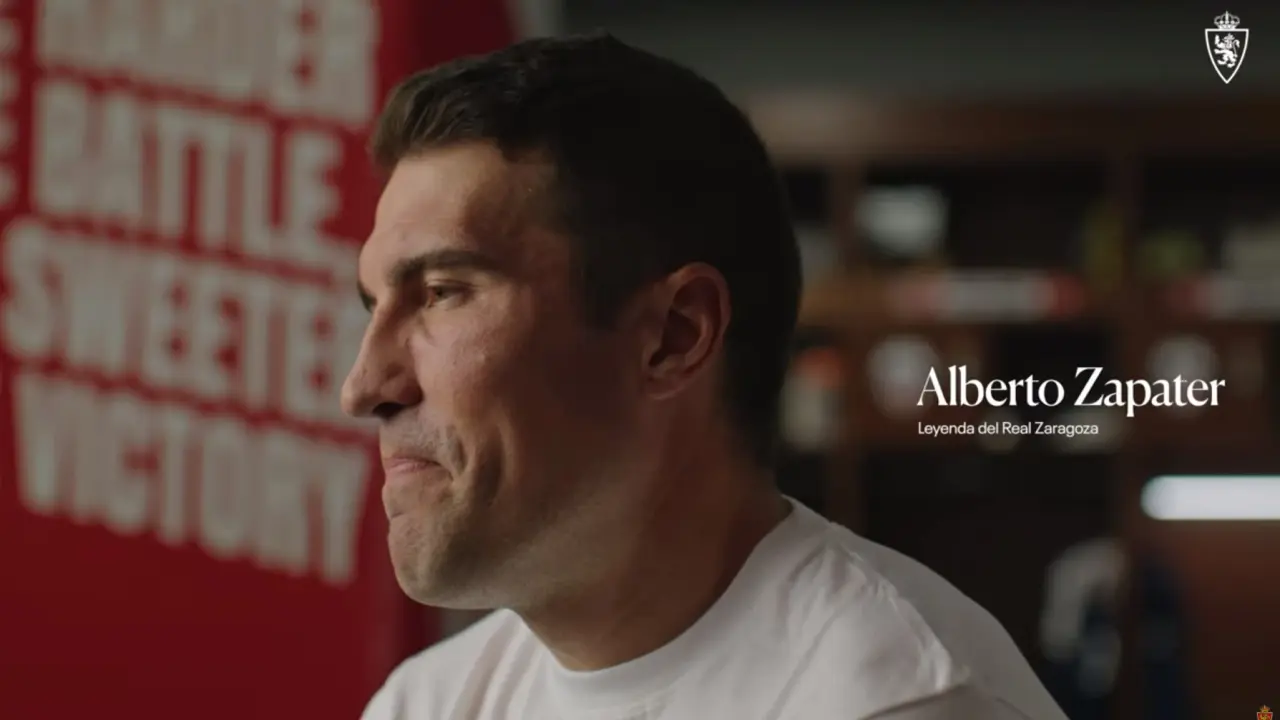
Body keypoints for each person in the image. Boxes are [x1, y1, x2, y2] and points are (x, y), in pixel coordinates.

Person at [342, 32, 1068, 720]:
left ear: (674, 337)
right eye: (375, 307)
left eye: (442, 293)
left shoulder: (893, 700)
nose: (364, 386)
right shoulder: (427, 703)